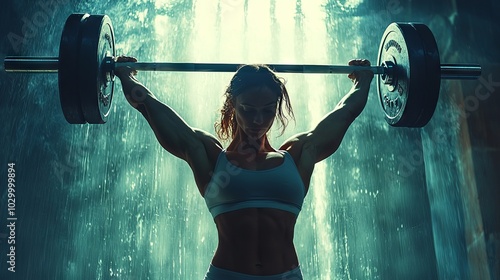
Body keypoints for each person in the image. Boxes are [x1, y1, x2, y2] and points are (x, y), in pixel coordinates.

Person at [114, 56, 374, 280]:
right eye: (248, 110)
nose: (258, 120)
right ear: (233, 105)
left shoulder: (298, 154)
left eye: (267, 110)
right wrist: (126, 76)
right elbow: (148, 104)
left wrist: (363, 81)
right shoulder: (211, 156)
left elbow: (347, 111)